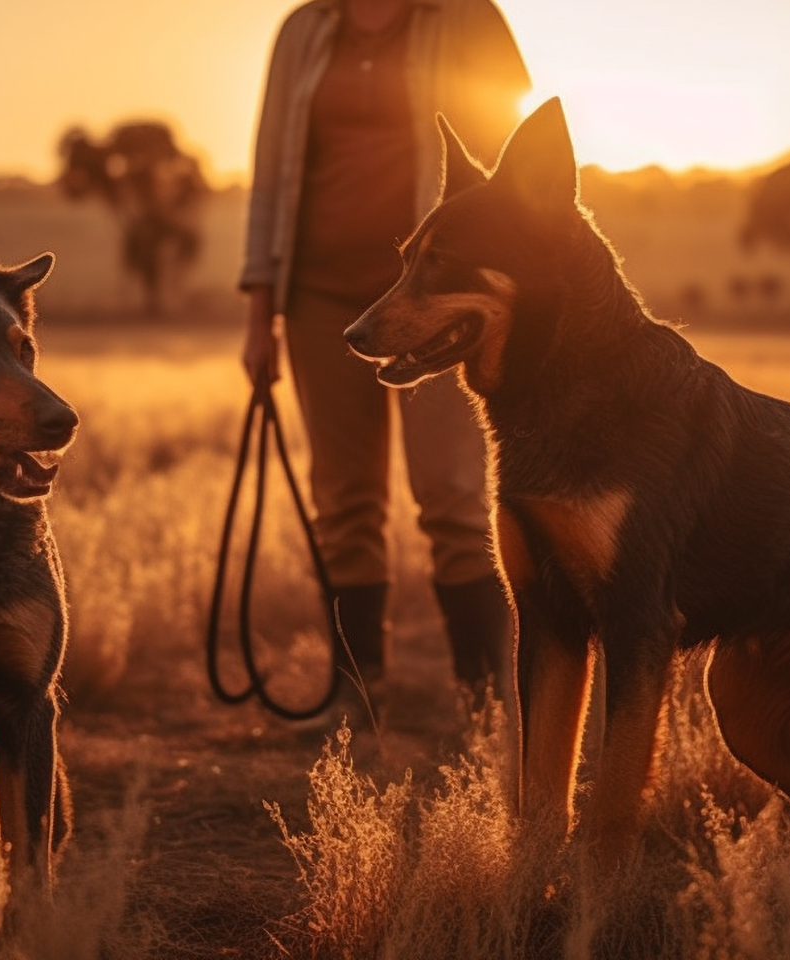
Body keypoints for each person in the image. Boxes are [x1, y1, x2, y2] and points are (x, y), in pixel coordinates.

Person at [239, 0, 530, 708]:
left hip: (438, 297)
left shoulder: (468, 19)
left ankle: (488, 696)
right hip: (318, 294)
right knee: (343, 500)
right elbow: (271, 172)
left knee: (454, 495)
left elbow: (512, 165)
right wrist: (260, 312)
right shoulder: (304, 29)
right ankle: (356, 691)